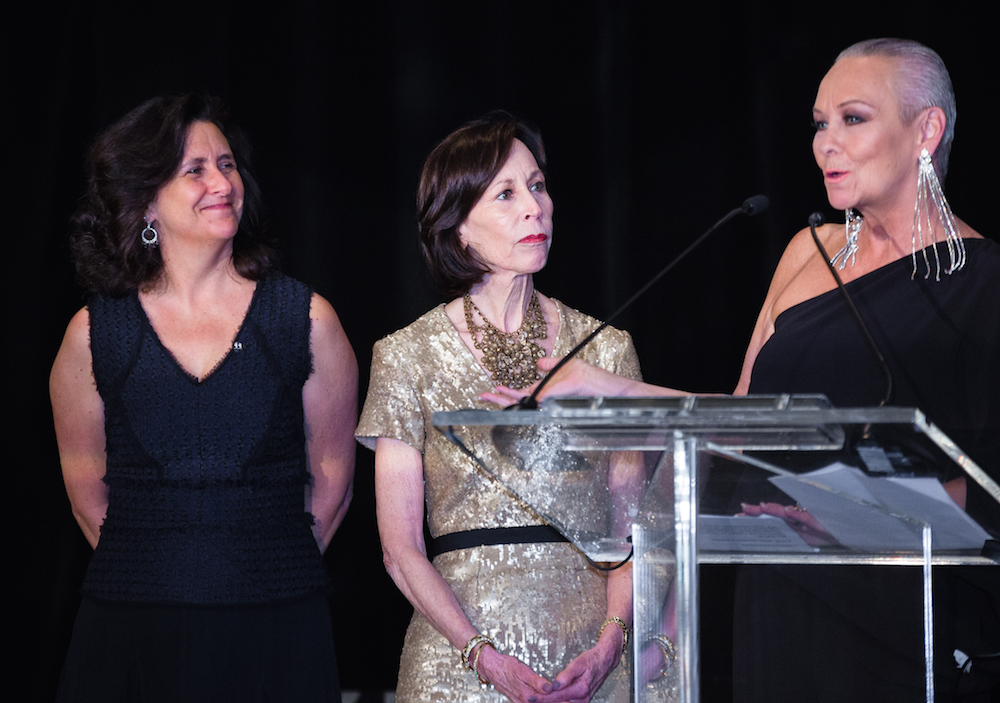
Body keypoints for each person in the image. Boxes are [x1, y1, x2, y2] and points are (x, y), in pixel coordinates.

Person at [486, 39, 1000, 701]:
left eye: (853, 119)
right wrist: (601, 389)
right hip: (780, 596)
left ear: (927, 129)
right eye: (819, 123)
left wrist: (851, 513)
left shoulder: (991, 286)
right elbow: (741, 419)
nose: (825, 143)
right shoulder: (807, 252)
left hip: (905, 620)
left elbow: (994, 495)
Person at [50, 93, 358, 702]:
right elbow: (86, 490)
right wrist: (167, 573)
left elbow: (334, 479)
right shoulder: (94, 333)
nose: (222, 183)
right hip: (131, 632)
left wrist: (254, 570)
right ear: (146, 200)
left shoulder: (305, 319)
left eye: (227, 165)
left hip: (278, 629)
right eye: (195, 169)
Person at [356, 112, 641, 703]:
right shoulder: (405, 356)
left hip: (593, 660)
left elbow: (633, 528)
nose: (535, 208)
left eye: (537, 186)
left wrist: (611, 644)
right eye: (505, 194)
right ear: (458, 227)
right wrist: (482, 657)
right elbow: (399, 549)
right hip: (456, 663)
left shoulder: (607, 349)